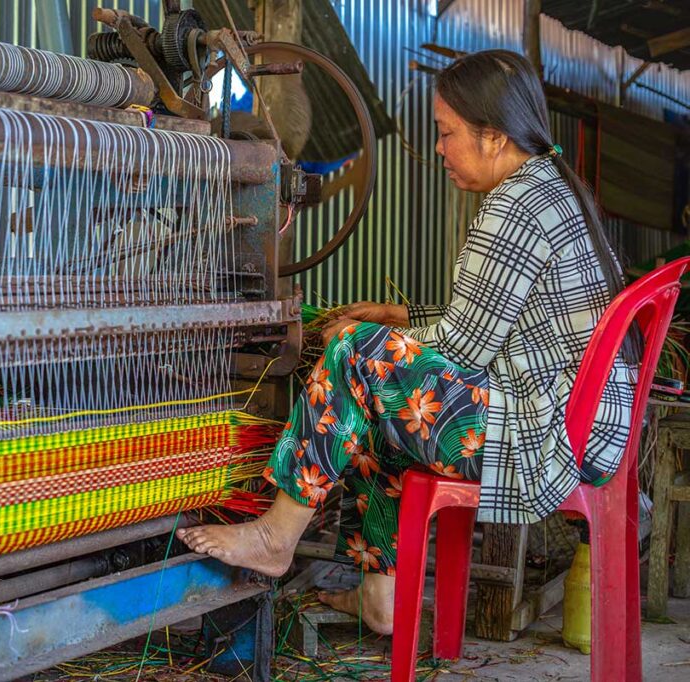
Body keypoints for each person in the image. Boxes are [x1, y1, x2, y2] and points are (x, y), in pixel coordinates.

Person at [177, 49, 636, 635]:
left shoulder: (515, 205)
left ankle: (275, 535)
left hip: (542, 438)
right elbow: (498, 318)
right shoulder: (548, 187)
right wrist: (402, 315)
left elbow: (461, 353)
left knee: (355, 360)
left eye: (447, 134)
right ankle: (382, 597)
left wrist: (371, 339)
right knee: (378, 398)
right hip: (576, 422)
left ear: (493, 138)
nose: (439, 148)